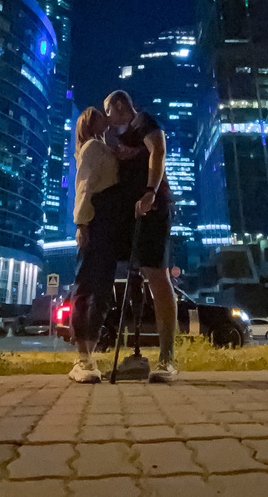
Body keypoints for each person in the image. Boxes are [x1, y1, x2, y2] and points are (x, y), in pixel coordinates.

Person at [104, 89, 178, 382]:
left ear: (120, 105)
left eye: (108, 111)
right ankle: (136, 356)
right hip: (133, 215)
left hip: (153, 209)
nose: (108, 118)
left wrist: (150, 192)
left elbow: (158, 149)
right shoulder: (124, 137)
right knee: (137, 276)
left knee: (158, 275)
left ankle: (167, 358)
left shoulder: (142, 121)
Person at [68, 106, 119, 383]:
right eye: (99, 115)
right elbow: (84, 186)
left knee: (101, 290)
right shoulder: (91, 147)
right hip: (96, 221)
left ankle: (89, 356)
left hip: (107, 222)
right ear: (89, 122)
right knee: (87, 287)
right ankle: (83, 357)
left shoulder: (102, 147)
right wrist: (82, 224)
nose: (105, 118)